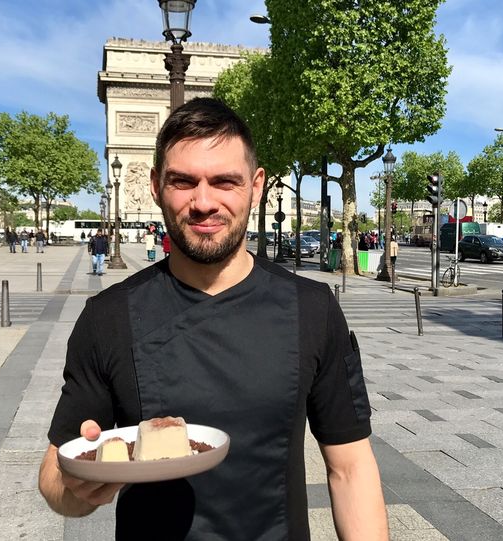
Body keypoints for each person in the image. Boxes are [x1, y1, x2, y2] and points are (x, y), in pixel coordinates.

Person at [38, 98, 388, 540]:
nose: (204, 202)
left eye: (225, 181)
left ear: (256, 186)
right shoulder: (106, 319)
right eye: (184, 181)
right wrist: (77, 487)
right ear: (155, 186)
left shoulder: (314, 309)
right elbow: (53, 479)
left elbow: (351, 467)